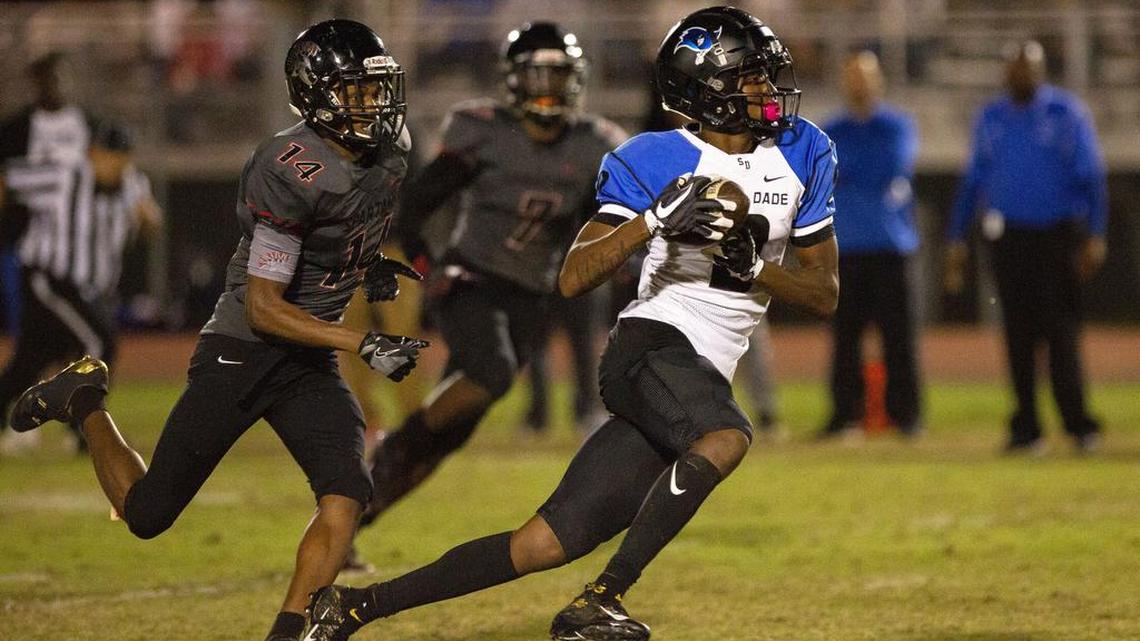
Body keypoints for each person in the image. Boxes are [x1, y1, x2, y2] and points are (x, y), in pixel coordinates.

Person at [302, 7, 838, 641]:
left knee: (543, 543)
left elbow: (823, 292)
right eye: (751, 78)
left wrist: (755, 268)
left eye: (768, 76)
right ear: (707, 87)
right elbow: (574, 275)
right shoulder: (652, 156)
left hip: (700, 372)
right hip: (651, 346)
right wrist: (652, 222)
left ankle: (354, 608)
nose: (768, 91)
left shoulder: (805, 148)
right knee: (725, 436)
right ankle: (600, 601)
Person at [7, 20, 428, 641]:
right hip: (246, 349)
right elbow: (263, 307)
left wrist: (367, 269)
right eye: (357, 92)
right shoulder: (290, 168)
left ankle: (288, 633)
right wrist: (360, 340)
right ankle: (85, 400)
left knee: (347, 492)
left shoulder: (391, 151)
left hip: (306, 362)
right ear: (315, 95)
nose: (375, 105)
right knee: (147, 514)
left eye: (377, 89)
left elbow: (345, 230)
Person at [353, 21, 626, 539]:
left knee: (453, 432)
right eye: (538, 76)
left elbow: (604, 225)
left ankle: (360, 511)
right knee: (493, 373)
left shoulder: (597, 144)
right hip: (472, 278)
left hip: (531, 296)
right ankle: (392, 449)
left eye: (557, 76)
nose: (548, 89)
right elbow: (415, 208)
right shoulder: (484, 129)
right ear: (515, 81)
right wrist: (430, 270)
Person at [944, 40, 1106, 454]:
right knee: (1017, 335)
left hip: (1057, 237)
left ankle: (1077, 423)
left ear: (1042, 70)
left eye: (1027, 67)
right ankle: (1026, 427)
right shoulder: (991, 117)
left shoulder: (1066, 113)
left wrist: (1095, 233)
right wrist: (957, 237)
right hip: (1010, 240)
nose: (1020, 74)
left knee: (1062, 335)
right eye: (1014, 68)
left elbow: (1092, 178)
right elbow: (973, 181)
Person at [0, 121, 161, 446]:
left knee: (30, 360)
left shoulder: (132, 183)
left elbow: (151, 219)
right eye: (109, 155)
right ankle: (84, 430)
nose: (116, 163)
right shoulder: (63, 171)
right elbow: (9, 178)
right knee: (99, 343)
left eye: (122, 156)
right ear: (92, 152)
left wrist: (148, 220)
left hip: (88, 290)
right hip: (49, 278)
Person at [819, 50, 922, 439]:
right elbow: (823, 174)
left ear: (878, 81)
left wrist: (847, 173)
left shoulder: (897, 126)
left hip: (889, 244)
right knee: (845, 338)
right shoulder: (833, 129)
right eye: (852, 76)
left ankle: (906, 415)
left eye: (865, 76)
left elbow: (890, 167)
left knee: (899, 336)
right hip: (845, 246)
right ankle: (844, 414)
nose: (858, 84)